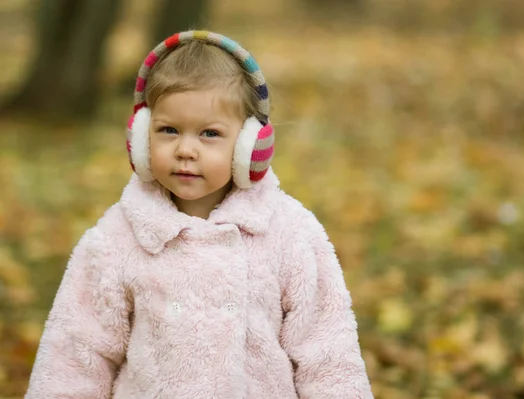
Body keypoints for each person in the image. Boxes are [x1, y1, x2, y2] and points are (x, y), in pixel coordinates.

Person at [25, 30, 373, 399]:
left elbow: (329, 351)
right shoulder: (117, 238)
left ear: (248, 146)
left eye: (209, 133)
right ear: (141, 139)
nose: (185, 150)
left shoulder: (290, 233)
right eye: (169, 130)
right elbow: (76, 351)